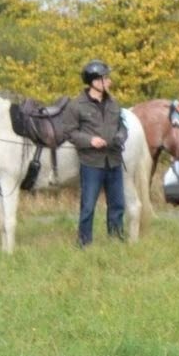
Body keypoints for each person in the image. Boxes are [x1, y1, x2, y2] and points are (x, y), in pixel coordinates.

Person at [61, 60, 127, 247]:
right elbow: (69, 132)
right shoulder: (76, 106)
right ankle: (84, 243)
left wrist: (121, 136)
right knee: (88, 206)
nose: (109, 82)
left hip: (113, 161)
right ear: (95, 82)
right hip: (92, 163)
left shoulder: (114, 103)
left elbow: (122, 126)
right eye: (106, 78)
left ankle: (116, 240)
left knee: (117, 205)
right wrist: (90, 140)